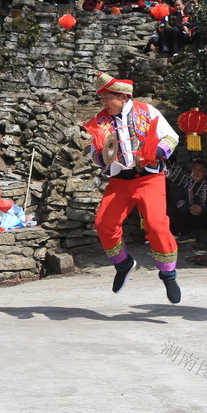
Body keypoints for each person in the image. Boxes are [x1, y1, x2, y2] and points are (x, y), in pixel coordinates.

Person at [82, 73, 182, 303]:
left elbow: (171, 137)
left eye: (108, 98)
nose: (104, 104)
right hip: (119, 181)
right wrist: (99, 156)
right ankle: (123, 264)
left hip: (149, 179)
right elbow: (94, 153)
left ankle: (168, 274)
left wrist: (158, 152)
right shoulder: (100, 121)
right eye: (103, 99)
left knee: (156, 226)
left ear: (122, 96)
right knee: (104, 224)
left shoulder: (147, 111)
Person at [171, 158, 207, 249]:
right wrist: (189, 207)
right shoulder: (185, 184)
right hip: (189, 216)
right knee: (173, 209)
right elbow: (177, 200)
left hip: (205, 218)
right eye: (194, 169)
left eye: (200, 170)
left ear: (205, 172)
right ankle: (187, 233)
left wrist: (202, 209)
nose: (196, 172)